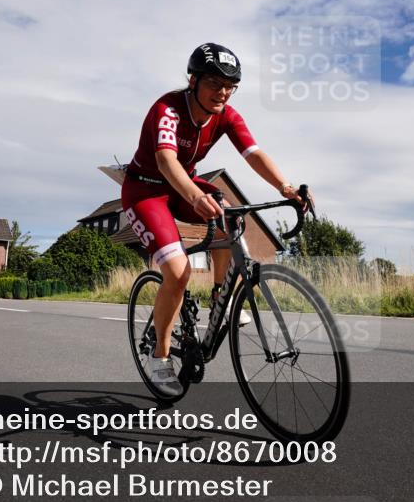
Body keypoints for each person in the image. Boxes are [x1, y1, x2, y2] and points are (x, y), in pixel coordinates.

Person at [121, 43, 310, 397]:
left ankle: (221, 295)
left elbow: (253, 153)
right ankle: (159, 357)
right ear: (192, 80)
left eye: (230, 85)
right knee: (178, 271)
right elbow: (165, 160)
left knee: (231, 217)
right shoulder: (168, 109)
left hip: (183, 185)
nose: (222, 92)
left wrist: (285, 186)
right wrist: (194, 195)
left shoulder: (227, 115)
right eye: (213, 83)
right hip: (146, 190)